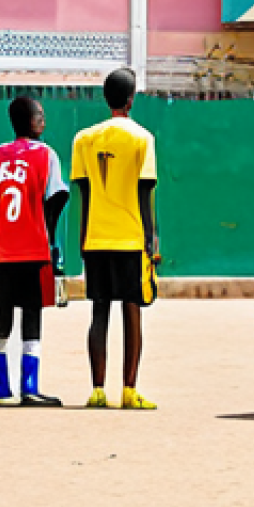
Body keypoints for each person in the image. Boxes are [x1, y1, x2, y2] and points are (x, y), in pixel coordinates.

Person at [71, 68, 158, 410]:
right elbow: (144, 192)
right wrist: (150, 242)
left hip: (96, 238)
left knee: (99, 313)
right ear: (131, 99)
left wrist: (83, 239)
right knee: (132, 312)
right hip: (129, 239)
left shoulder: (84, 139)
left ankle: (96, 390)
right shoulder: (142, 138)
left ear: (105, 98)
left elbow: (85, 193)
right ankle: (129, 390)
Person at [0, 95, 69, 407]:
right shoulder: (47, 155)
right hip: (34, 249)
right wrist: (47, 234)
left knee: (3, 315)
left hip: (3, 250)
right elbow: (58, 197)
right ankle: (29, 387)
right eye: (40, 116)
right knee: (32, 314)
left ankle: (0, 386)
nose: (44, 121)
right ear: (30, 121)